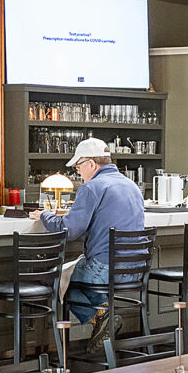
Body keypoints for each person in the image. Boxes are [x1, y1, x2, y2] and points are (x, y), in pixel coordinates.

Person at [40, 137, 144, 321]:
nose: (78, 171)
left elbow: (68, 230)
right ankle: (102, 317)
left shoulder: (91, 187)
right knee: (76, 272)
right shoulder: (132, 186)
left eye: (78, 166)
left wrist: (44, 215)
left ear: (91, 164)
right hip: (136, 270)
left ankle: (99, 318)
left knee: (54, 278)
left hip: (106, 271)